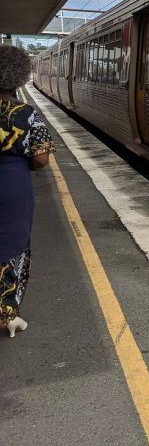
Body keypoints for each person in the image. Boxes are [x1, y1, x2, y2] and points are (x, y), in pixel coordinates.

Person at [0, 45, 54, 338]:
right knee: (12, 247)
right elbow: (41, 159)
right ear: (18, 78)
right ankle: (8, 314)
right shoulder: (27, 114)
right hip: (13, 185)